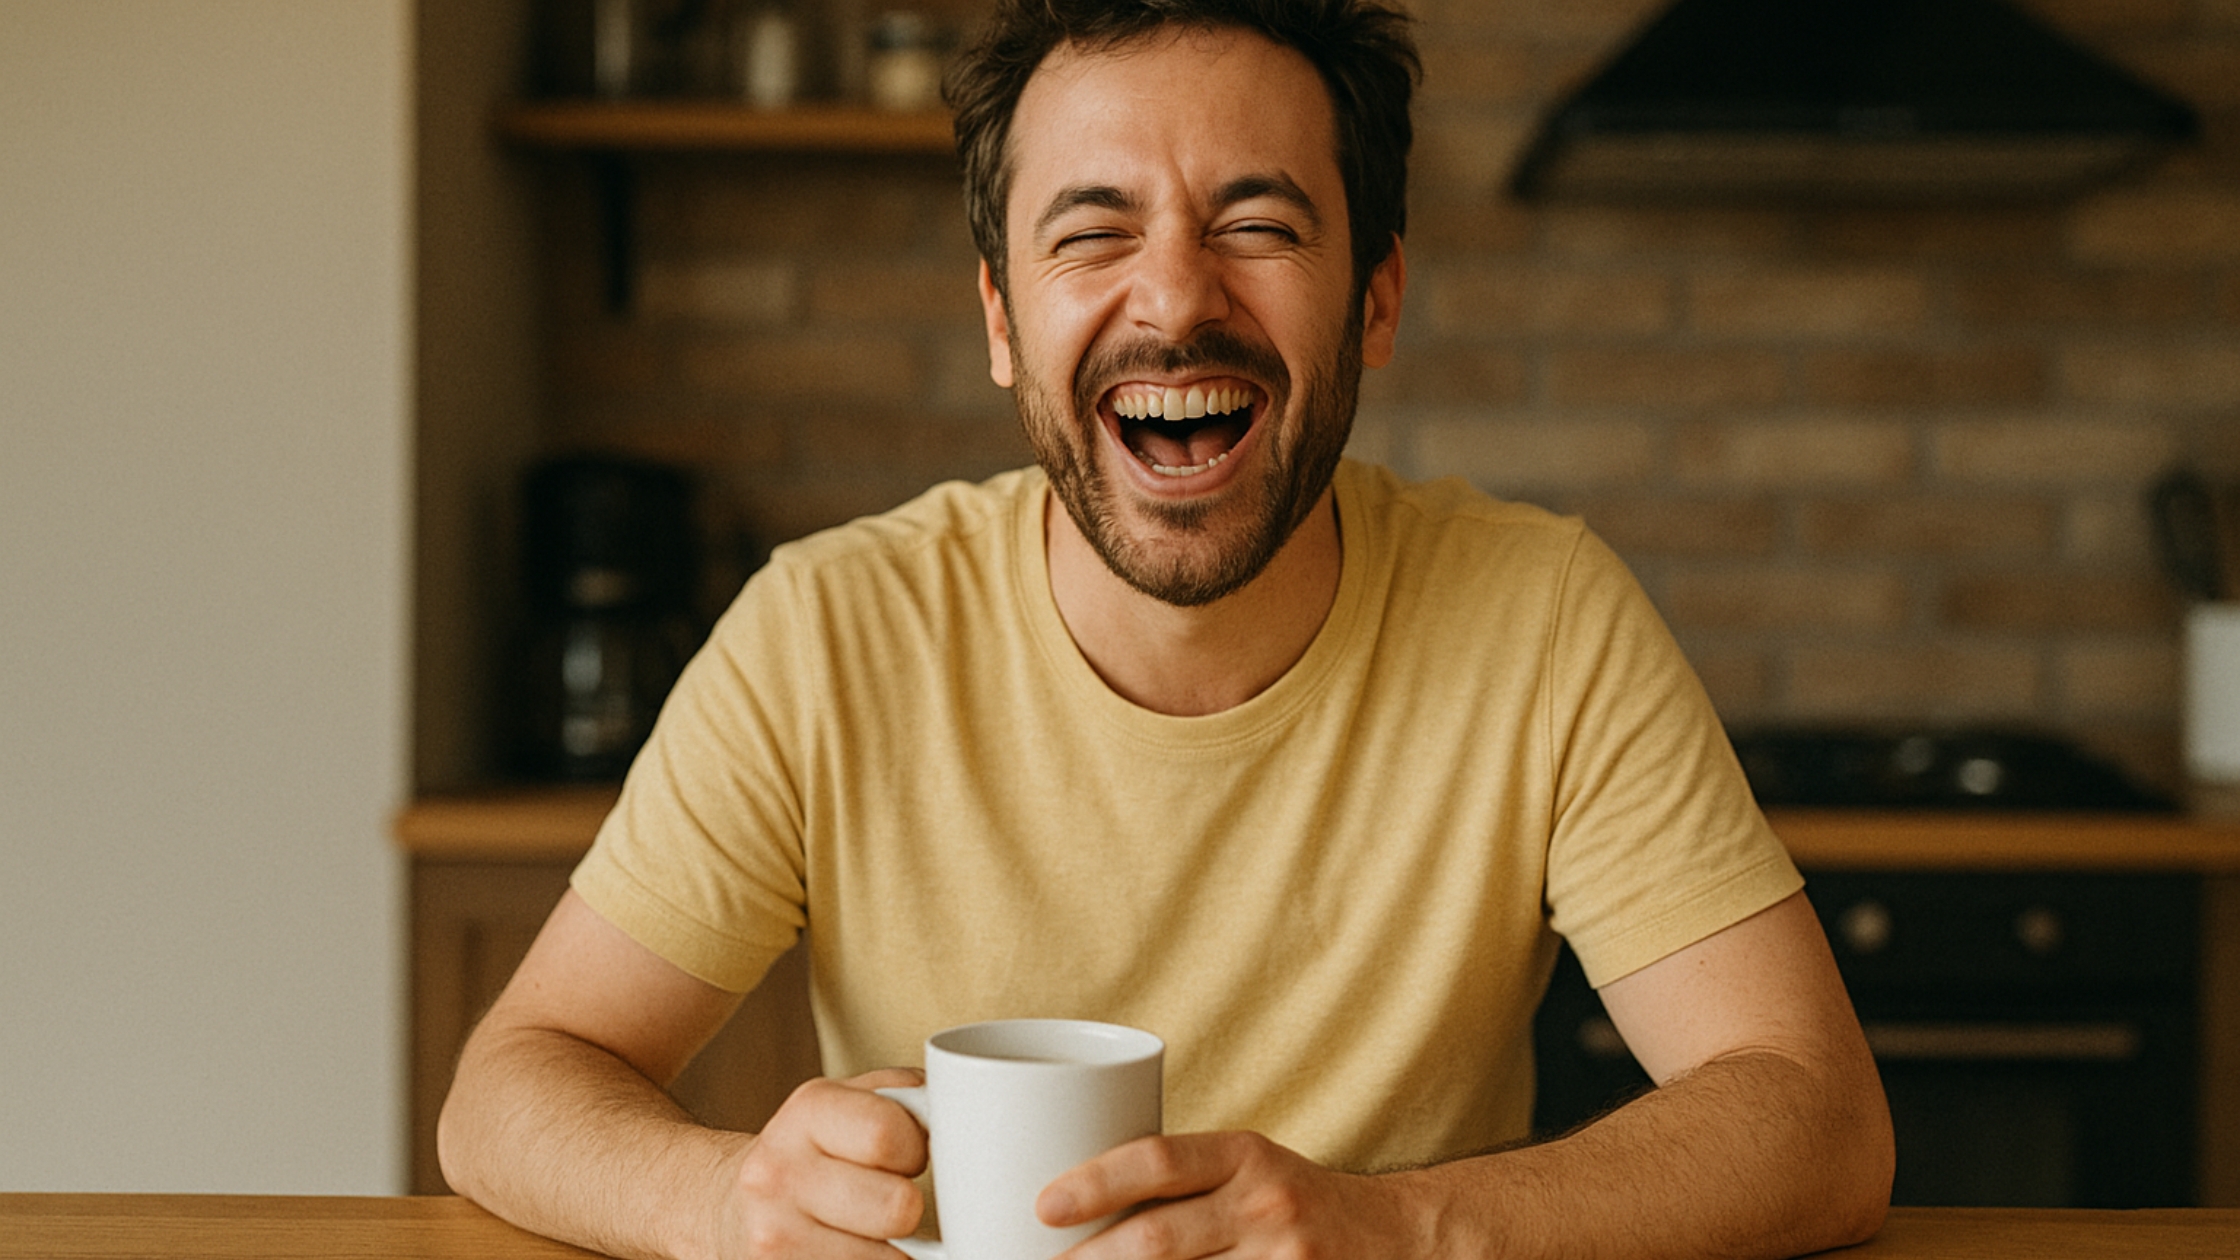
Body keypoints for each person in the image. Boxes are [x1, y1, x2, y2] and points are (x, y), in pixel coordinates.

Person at [438, 1, 1895, 1256]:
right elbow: (510, 1087)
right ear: (1004, 320)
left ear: (1375, 298)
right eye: (1094, 232)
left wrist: (1393, 1231)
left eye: (1258, 227)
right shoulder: (825, 631)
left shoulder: (1546, 618)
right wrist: (726, 1198)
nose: (1178, 301)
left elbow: (1817, 1119)